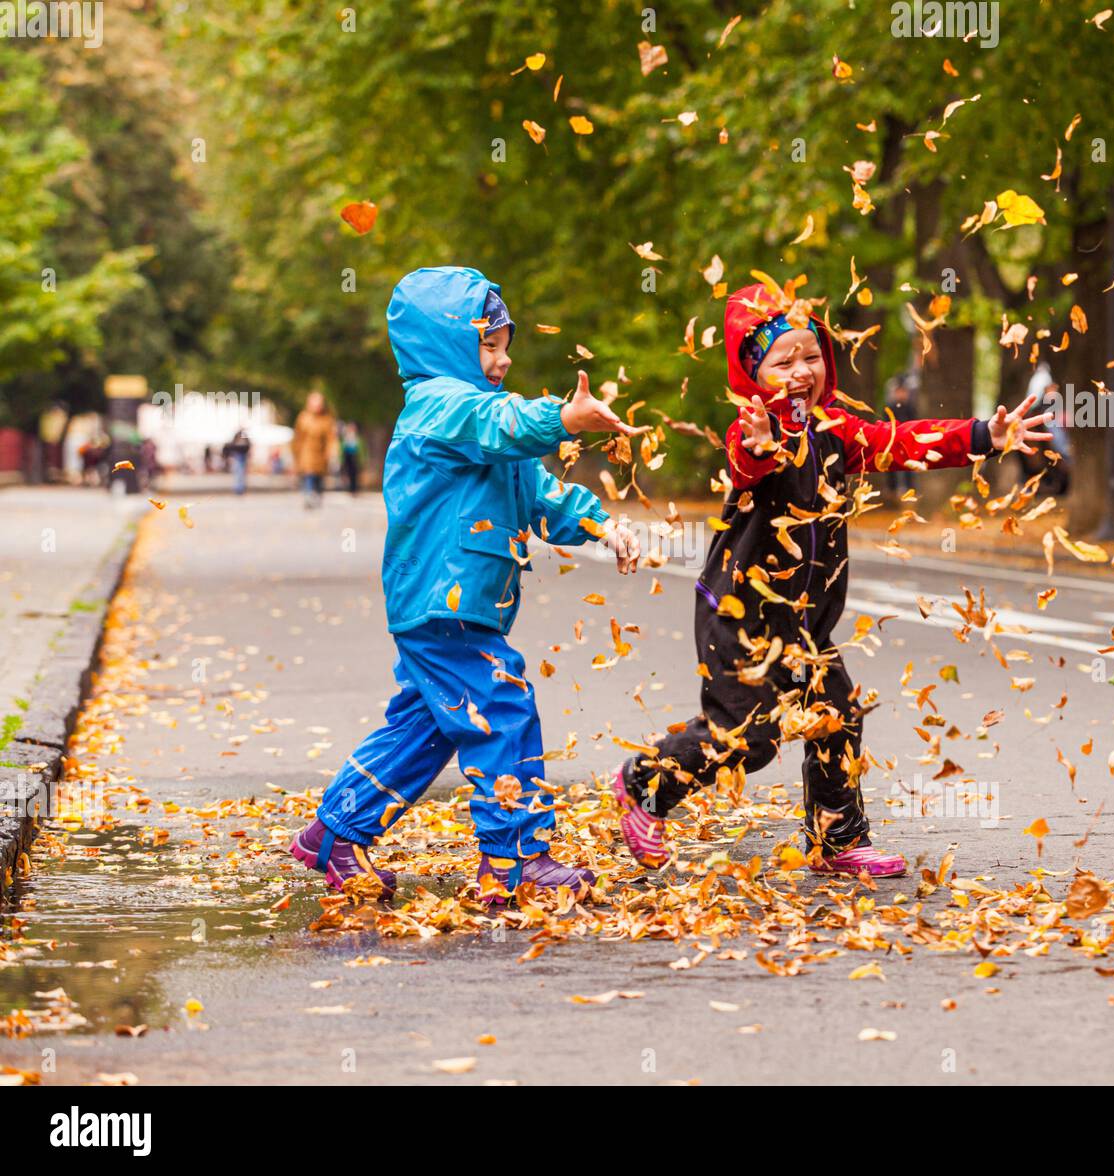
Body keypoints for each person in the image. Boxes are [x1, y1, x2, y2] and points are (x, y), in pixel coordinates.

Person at [611, 283, 1051, 880]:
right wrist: (765, 448)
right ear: (754, 373)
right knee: (751, 737)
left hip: (802, 622)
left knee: (838, 714)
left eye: (811, 356)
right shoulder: (752, 428)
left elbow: (903, 442)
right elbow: (745, 460)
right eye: (783, 361)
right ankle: (645, 785)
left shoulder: (838, 431)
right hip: (740, 616)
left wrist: (982, 437)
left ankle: (838, 839)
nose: (800, 371)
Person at [291, 267, 641, 903]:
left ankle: (335, 831)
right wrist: (565, 417)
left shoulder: (476, 416)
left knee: (428, 725)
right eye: (489, 345)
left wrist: (599, 522)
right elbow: (504, 425)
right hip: (440, 603)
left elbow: (537, 491)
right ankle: (515, 858)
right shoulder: (441, 406)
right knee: (501, 704)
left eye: (506, 346)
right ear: (446, 343)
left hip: (459, 603)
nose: (503, 360)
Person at [292, 391, 335, 508]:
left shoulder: (326, 419)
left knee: (319, 478)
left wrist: (331, 451)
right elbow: (298, 436)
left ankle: (317, 494)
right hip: (306, 453)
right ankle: (309, 496)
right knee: (308, 475)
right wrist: (296, 452)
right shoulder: (303, 417)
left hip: (321, 454)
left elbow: (331, 438)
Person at [224, 428, 252, 495]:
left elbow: (232, 444)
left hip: (240, 455)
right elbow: (248, 445)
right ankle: (239, 488)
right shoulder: (240, 435)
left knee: (240, 472)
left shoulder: (241, 435)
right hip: (239, 455)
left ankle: (239, 488)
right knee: (239, 472)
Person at [339, 421, 363, 494]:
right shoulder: (345, 438)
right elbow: (342, 448)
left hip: (354, 457)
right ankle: (349, 488)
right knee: (348, 473)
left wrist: (362, 459)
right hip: (347, 457)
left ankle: (354, 488)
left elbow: (361, 449)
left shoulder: (358, 438)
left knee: (354, 473)